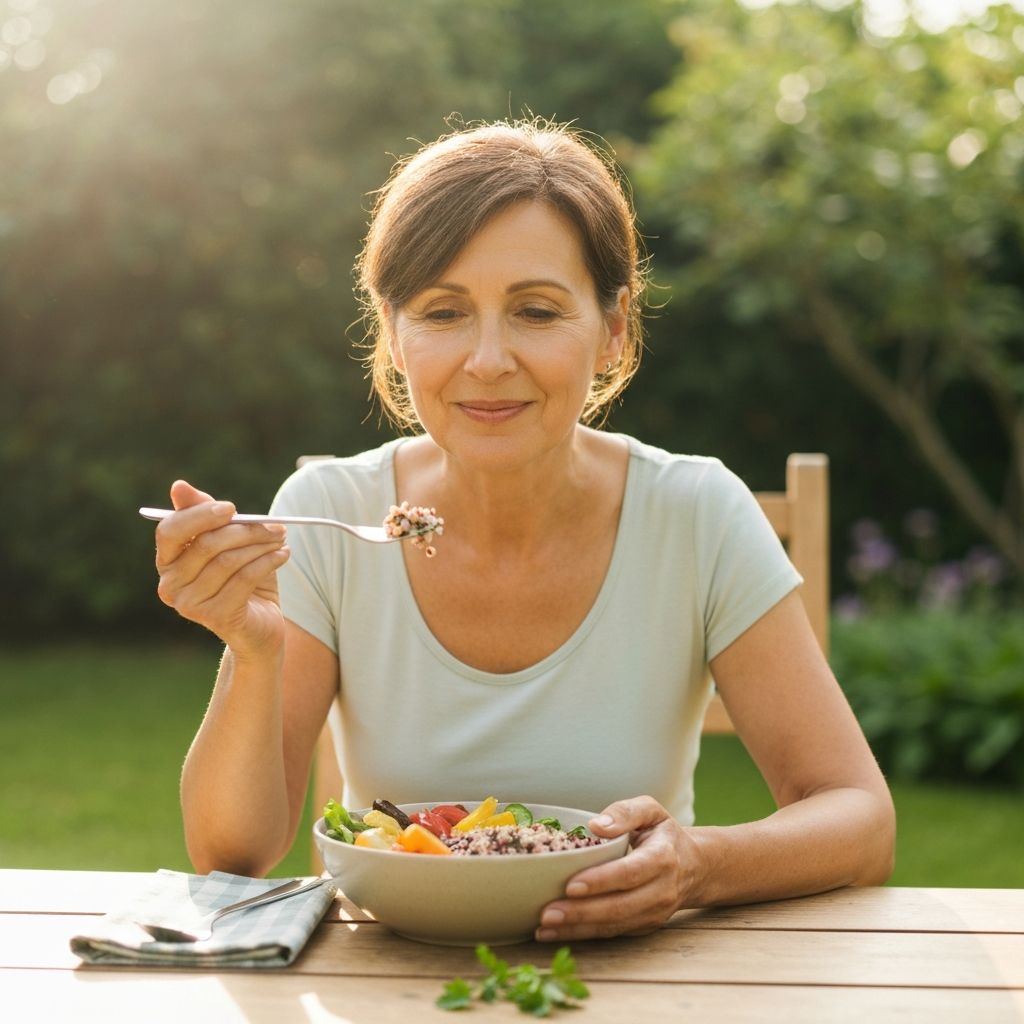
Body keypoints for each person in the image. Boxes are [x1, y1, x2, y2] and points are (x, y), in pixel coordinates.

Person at [153, 118, 895, 942]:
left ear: (614, 330)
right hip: (394, 978)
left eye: (536, 312)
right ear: (395, 336)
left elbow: (859, 819)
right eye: (444, 312)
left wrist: (697, 865)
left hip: (627, 976)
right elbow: (232, 855)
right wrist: (252, 652)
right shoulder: (330, 513)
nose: (488, 360)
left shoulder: (695, 513)